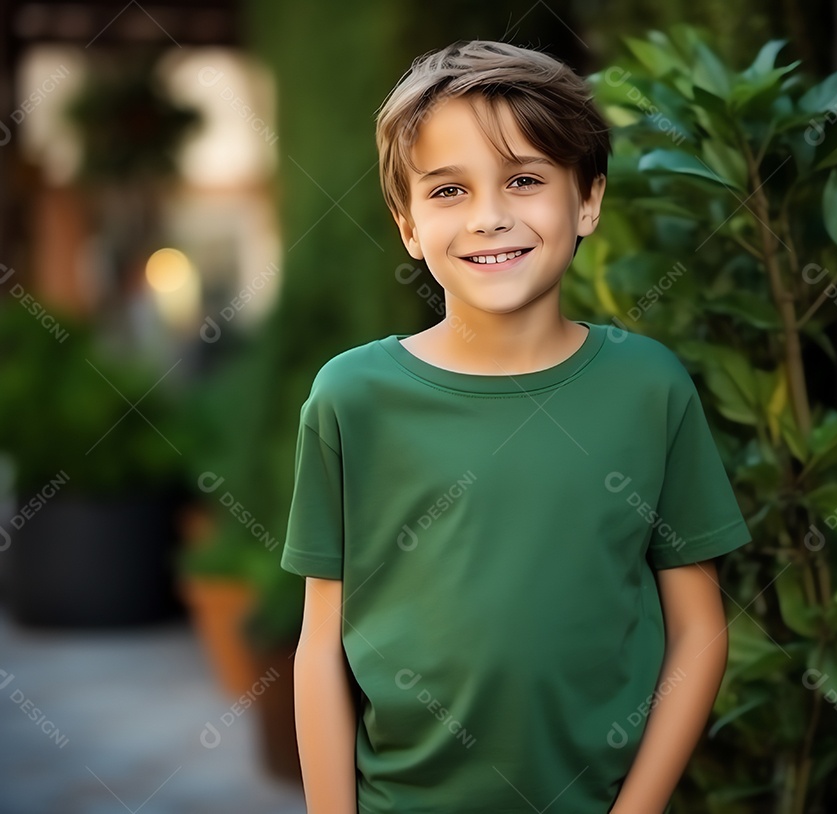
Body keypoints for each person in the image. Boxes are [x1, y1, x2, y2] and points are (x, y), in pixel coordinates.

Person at [281, 38, 753, 814]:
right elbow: (320, 643)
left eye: (525, 179)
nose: (490, 217)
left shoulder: (649, 388)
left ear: (588, 201)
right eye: (447, 191)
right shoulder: (351, 397)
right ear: (406, 225)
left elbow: (698, 630)